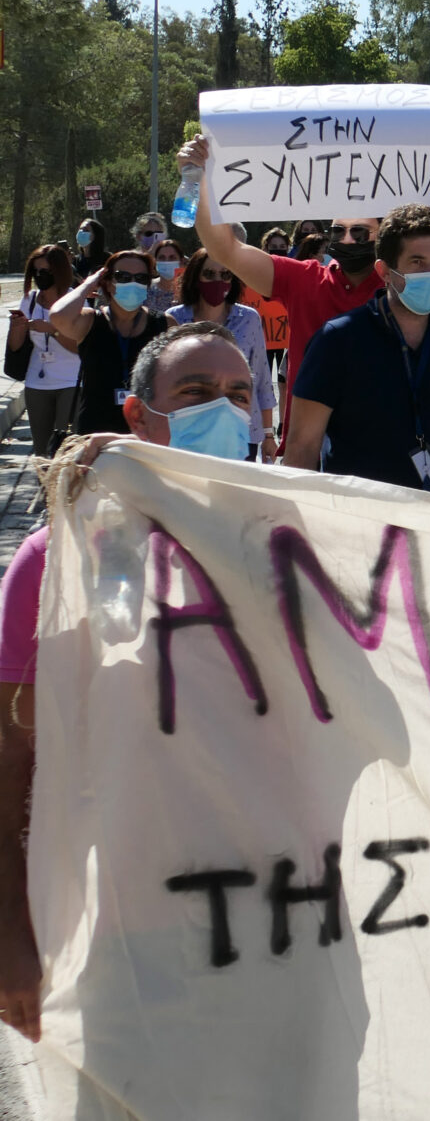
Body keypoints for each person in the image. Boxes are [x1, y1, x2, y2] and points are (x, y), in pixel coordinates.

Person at [0, 321, 259, 1042]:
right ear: (138, 416)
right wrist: (10, 927)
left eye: (240, 395)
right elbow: (11, 754)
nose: (224, 411)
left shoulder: (290, 544)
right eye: (197, 393)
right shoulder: (60, 559)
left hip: (285, 915)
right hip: (126, 929)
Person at [182, 125, 430, 432]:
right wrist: (198, 179)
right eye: (337, 231)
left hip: (390, 445)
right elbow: (224, 249)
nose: (346, 239)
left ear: (381, 237)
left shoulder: (405, 282)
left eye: (359, 232)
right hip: (311, 447)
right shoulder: (301, 278)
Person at [285, 204, 430, 507]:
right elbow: (302, 447)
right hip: (355, 517)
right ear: (384, 271)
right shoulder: (337, 340)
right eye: (417, 262)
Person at [165, 246, 279, 460]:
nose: (217, 280)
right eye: (209, 274)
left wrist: (268, 435)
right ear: (195, 277)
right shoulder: (174, 319)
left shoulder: (249, 319)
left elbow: (261, 378)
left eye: (225, 274)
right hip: (191, 429)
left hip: (242, 429)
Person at [46, 252, 171, 435]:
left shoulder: (165, 324)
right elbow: (58, 315)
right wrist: (88, 284)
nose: (132, 283)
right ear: (108, 282)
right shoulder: (90, 321)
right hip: (94, 434)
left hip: (148, 435)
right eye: (123, 277)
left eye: (141, 278)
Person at [9, 246, 83, 456]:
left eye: (46, 271)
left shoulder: (76, 300)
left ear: (59, 271)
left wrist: (53, 330)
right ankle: (44, 478)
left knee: (67, 450)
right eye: (36, 271)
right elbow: (15, 347)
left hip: (70, 381)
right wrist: (17, 327)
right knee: (42, 451)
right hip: (37, 382)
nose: (40, 276)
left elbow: (80, 346)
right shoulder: (29, 300)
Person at [145, 238, 185, 313]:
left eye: (172, 257)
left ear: (181, 261)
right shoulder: (146, 288)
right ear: (155, 261)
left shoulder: (189, 290)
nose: (167, 261)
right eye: (162, 257)